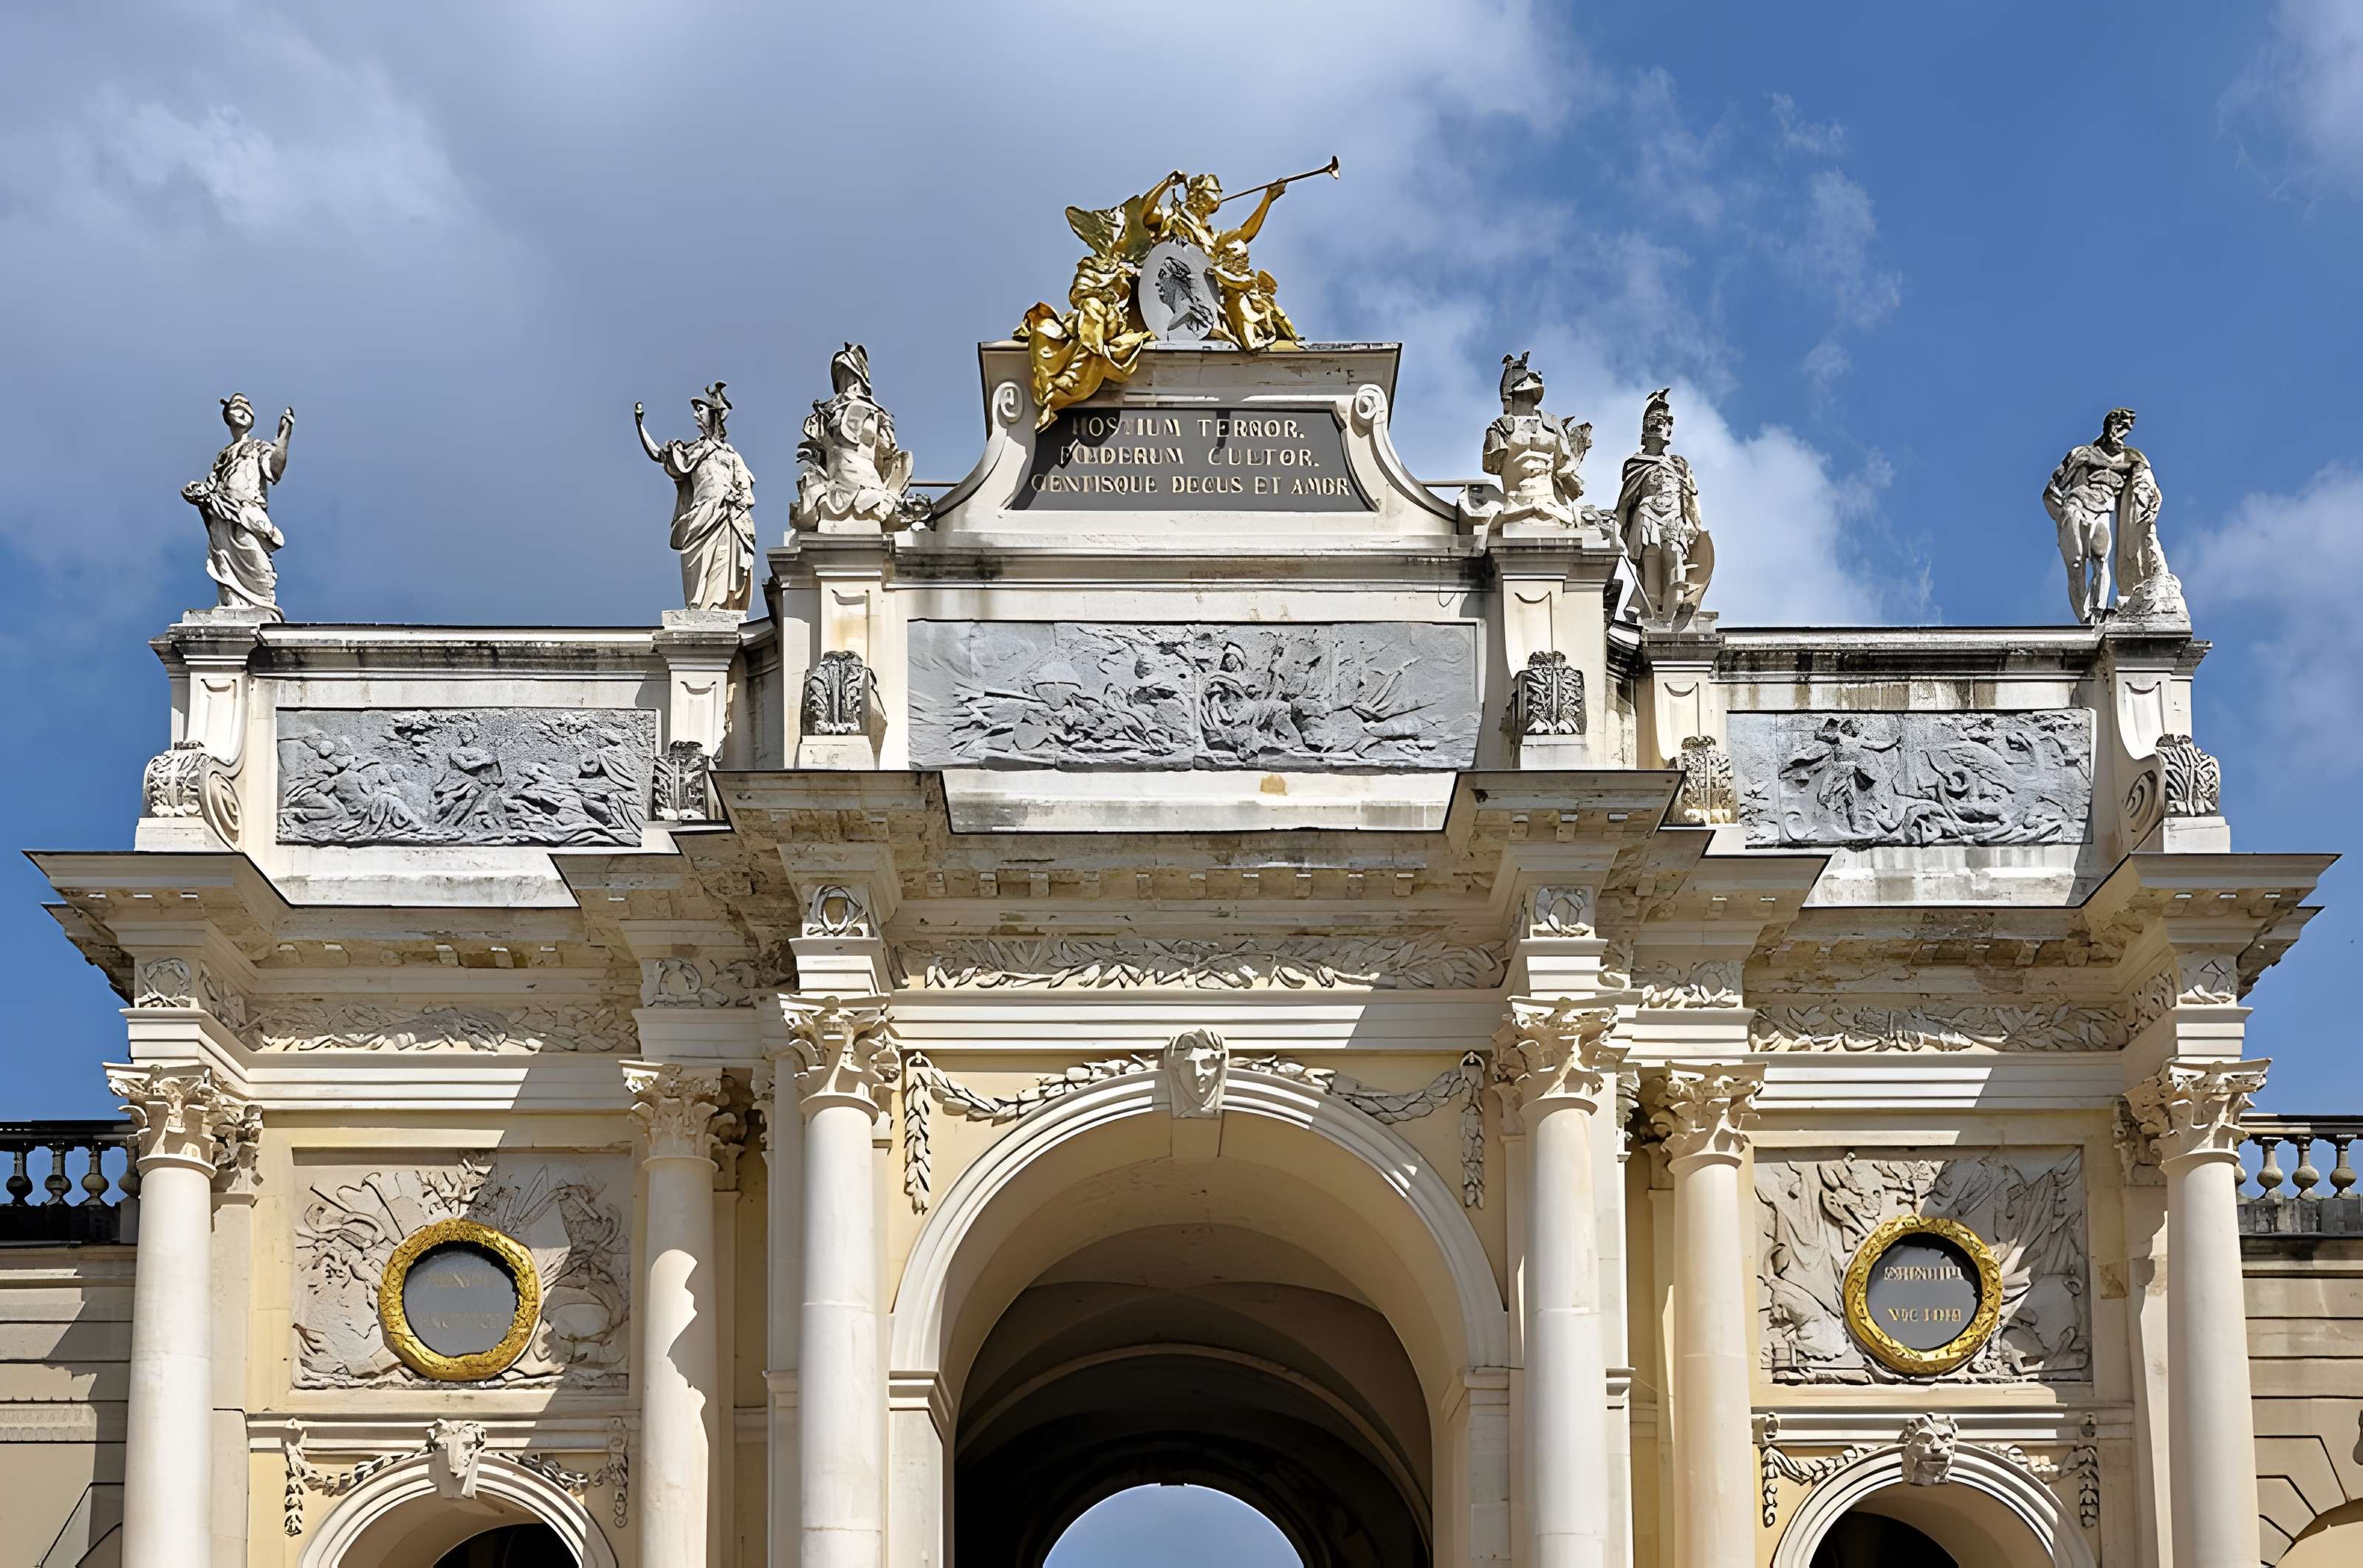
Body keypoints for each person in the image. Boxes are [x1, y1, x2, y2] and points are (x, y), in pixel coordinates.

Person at [637, 382, 755, 611]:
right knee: (696, 563)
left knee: (723, 559)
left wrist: (736, 500)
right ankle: (699, 606)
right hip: (701, 515)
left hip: (725, 515)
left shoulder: (732, 456)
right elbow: (659, 456)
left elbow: (747, 493)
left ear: (714, 415)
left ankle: (717, 607)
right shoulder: (693, 451)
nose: (695, 415)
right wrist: (640, 426)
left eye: (700, 410)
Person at [181, 393, 293, 617]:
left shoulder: (258, 447)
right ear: (228, 417)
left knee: (253, 553)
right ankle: (233, 605)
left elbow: (275, 470)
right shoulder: (224, 455)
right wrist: (200, 493)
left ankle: (262, 604)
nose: (241, 412)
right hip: (221, 510)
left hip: (247, 512)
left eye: (245, 408)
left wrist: (283, 437)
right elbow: (213, 483)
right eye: (235, 408)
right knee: (223, 558)